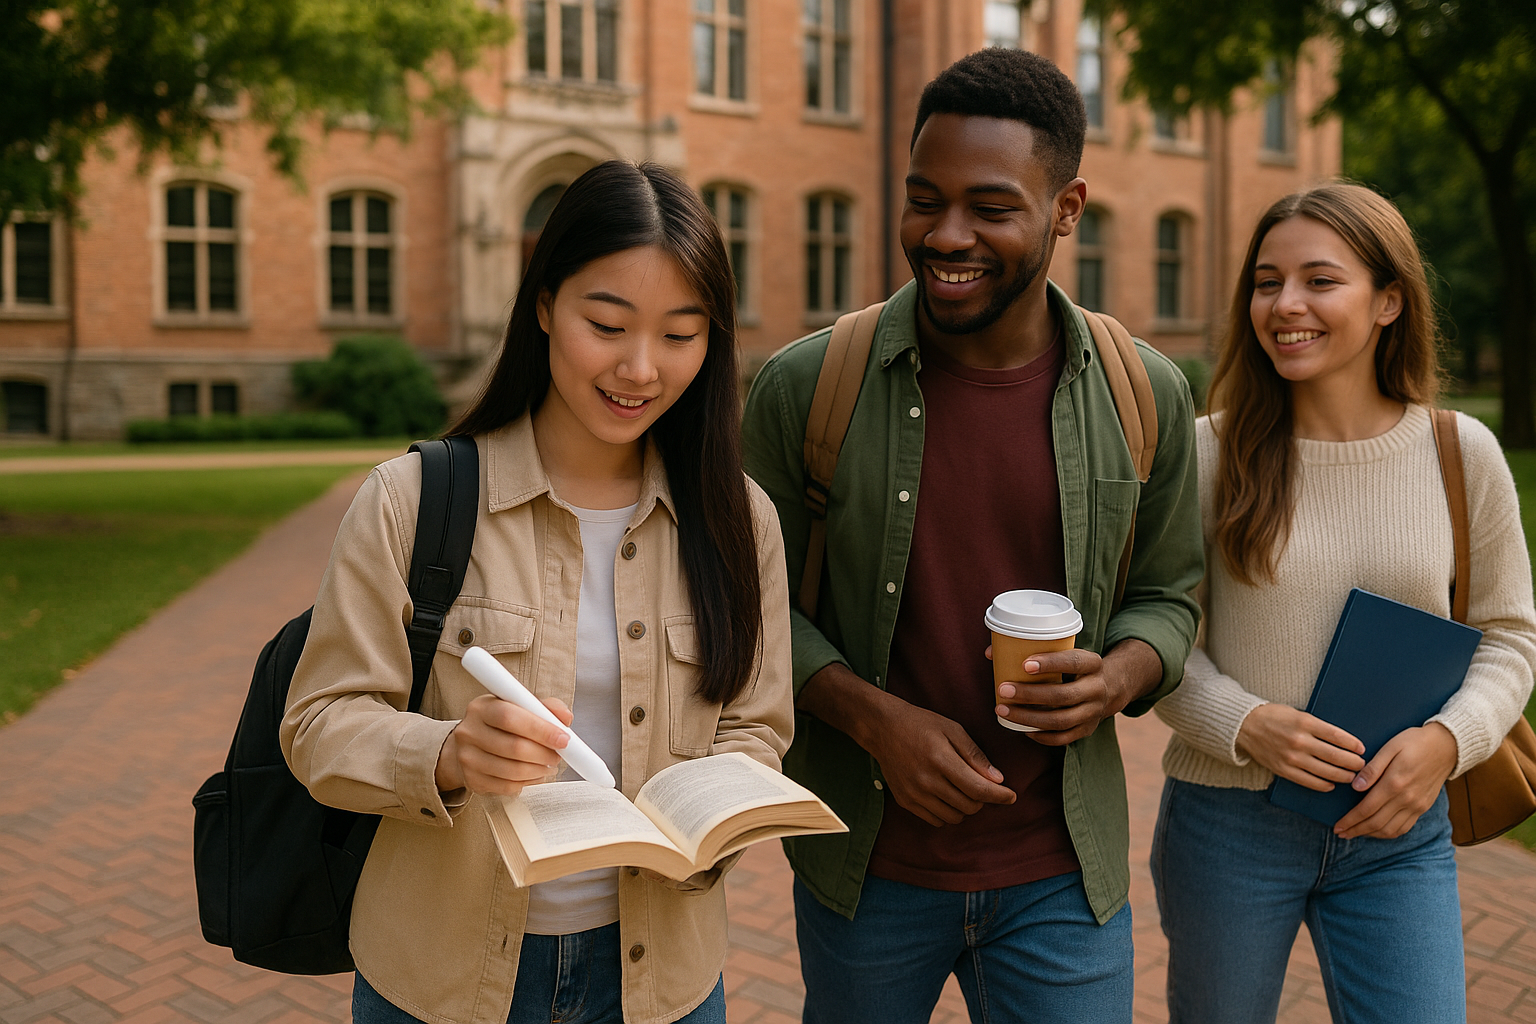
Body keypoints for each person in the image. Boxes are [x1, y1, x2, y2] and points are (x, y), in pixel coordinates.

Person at [740, 47, 1202, 1024]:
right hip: (865, 868)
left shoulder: (1145, 393)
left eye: (990, 208)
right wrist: (871, 718)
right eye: (924, 199)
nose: (947, 234)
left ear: (1066, 209)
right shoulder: (805, 388)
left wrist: (1119, 676)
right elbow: (744, 605)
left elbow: (1172, 595)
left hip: (1062, 880)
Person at [281, 160, 794, 1024]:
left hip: (659, 980)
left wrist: (712, 820)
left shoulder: (740, 521)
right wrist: (445, 754)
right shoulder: (413, 501)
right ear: (546, 305)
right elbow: (318, 724)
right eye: (607, 323)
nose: (640, 368)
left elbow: (756, 724)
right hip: (442, 977)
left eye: (681, 334)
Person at [1151, 182, 1536, 1024]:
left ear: (1389, 299)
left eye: (1319, 280)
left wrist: (1447, 742)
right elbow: (1155, 640)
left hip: (1400, 833)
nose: (1285, 305)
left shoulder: (1459, 452)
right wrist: (1244, 722)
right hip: (1228, 829)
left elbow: (1509, 638)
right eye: (1265, 281)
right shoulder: (1208, 455)